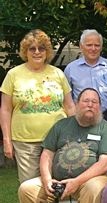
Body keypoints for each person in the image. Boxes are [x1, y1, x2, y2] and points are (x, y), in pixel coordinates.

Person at [18, 88, 107, 203]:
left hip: (91, 180)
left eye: (94, 102)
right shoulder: (61, 125)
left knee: (94, 188)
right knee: (27, 189)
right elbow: (47, 155)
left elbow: (106, 163)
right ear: (76, 104)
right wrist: (47, 180)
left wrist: (76, 182)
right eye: (86, 101)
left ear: (99, 107)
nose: (90, 105)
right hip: (58, 181)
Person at [0, 29, 75, 183]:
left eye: (41, 48)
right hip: (25, 142)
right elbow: (5, 109)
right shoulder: (13, 75)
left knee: (58, 183)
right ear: (25, 52)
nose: (37, 52)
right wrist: (7, 140)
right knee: (30, 186)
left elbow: (69, 106)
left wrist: (75, 134)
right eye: (32, 48)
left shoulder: (58, 74)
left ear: (47, 51)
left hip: (58, 140)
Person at [64, 29, 107, 131]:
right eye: (89, 45)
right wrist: (72, 123)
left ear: (101, 47)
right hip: (79, 120)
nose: (93, 48)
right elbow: (67, 100)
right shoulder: (70, 69)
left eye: (97, 45)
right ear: (81, 46)